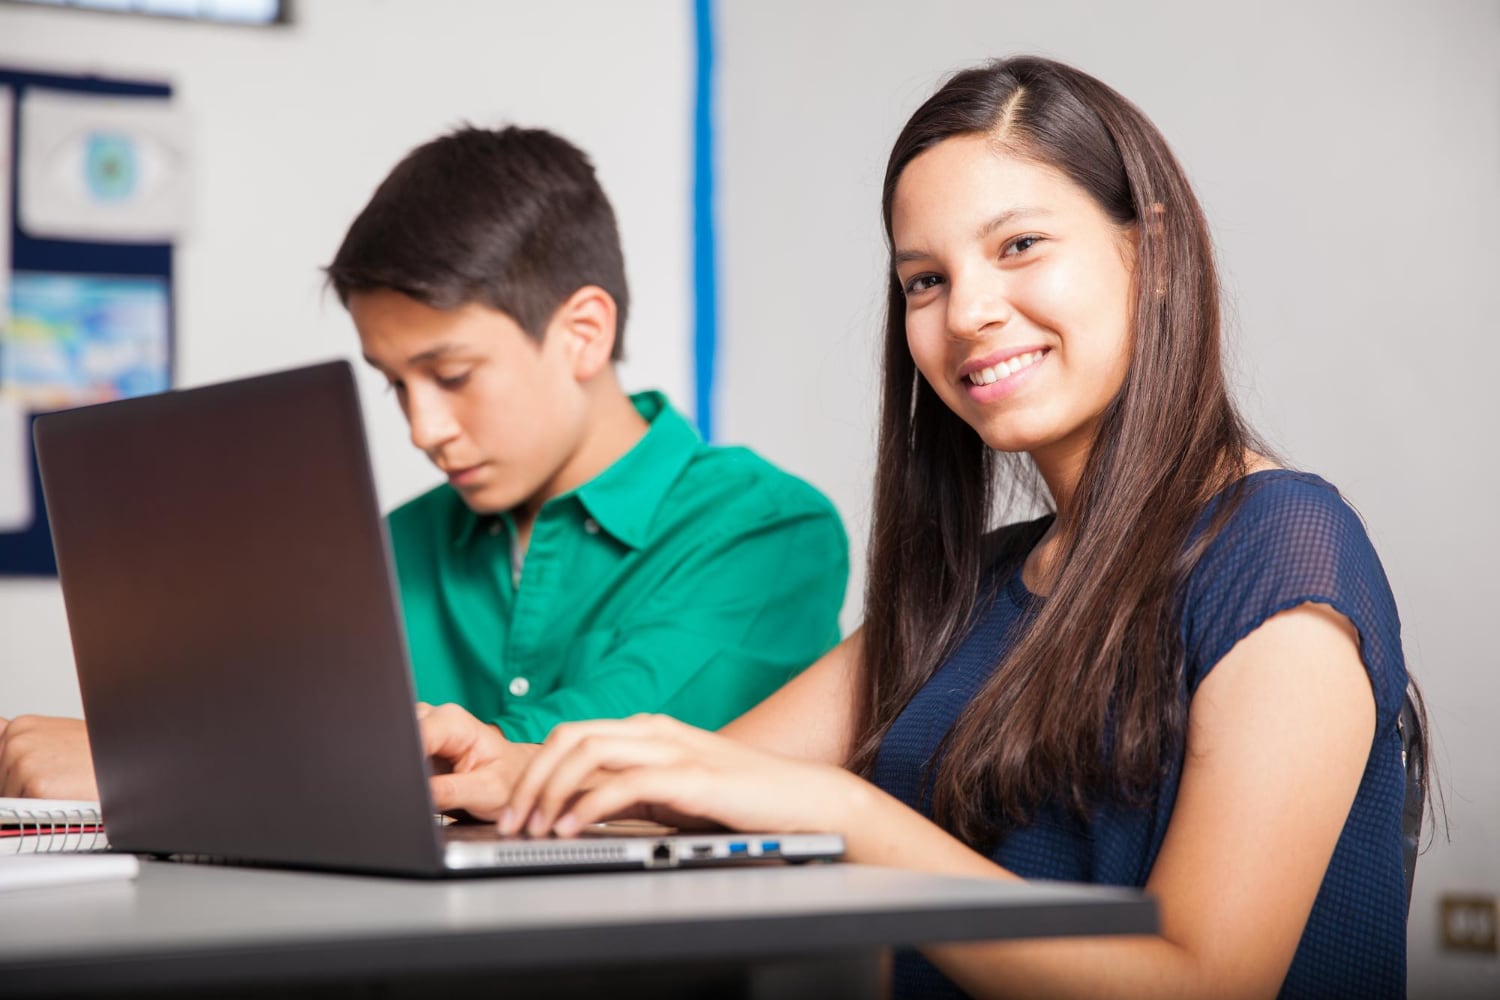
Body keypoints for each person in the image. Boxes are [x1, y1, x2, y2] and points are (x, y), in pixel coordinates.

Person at [418, 58, 1424, 999]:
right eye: (925, 280)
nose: (968, 312)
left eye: (1018, 245)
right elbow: (704, 782)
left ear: (1151, 252)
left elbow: (1202, 981)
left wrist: (851, 814)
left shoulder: (1282, 551)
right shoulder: (975, 585)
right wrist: (507, 774)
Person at [0, 125, 849, 800]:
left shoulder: (768, 533)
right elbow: (273, 722)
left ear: (583, 333)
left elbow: (576, 757)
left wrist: (153, 766)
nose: (422, 429)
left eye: (451, 375)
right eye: (394, 384)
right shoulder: (389, 548)